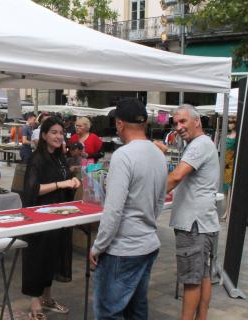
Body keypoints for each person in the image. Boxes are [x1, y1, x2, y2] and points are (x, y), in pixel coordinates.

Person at [89, 98, 167, 319]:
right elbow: (160, 201)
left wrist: (98, 246)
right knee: (136, 309)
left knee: (108, 312)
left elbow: (113, 210)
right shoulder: (158, 154)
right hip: (147, 243)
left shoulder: (123, 155)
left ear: (120, 124)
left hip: (123, 249)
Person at [161, 105, 220, 320]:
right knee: (202, 276)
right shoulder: (201, 144)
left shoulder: (199, 145)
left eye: (183, 121)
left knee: (191, 280)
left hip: (193, 224)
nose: (178, 127)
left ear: (197, 121)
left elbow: (176, 176)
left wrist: (150, 197)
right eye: (176, 123)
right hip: (203, 222)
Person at [21, 117, 81, 320]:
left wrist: (71, 179)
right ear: (44, 135)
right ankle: (35, 302)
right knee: (38, 258)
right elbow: (32, 189)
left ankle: (47, 297)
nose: (58, 136)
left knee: (53, 256)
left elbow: (62, 178)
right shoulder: (36, 159)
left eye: (61, 133)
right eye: (53, 132)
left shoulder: (59, 157)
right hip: (40, 218)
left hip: (58, 216)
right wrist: (61, 184)